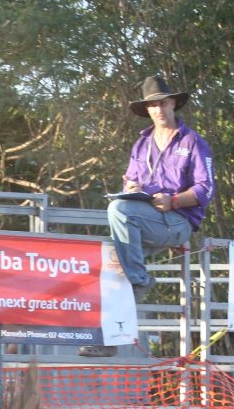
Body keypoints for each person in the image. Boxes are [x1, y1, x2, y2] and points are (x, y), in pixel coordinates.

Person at [81, 74, 215, 358]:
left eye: (163, 104)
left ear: (173, 104)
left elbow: (206, 188)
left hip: (178, 222)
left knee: (118, 212)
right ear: (147, 110)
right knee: (111, 260)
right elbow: (130, 180)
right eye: (152, 106)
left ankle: (140, 280)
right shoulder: (141, 144)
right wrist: (130, 188)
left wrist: (174, 200)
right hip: (144, 219)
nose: (158, 110)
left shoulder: (193, 142)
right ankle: (107, 341)